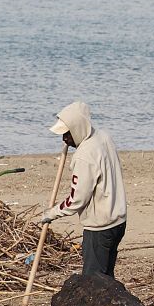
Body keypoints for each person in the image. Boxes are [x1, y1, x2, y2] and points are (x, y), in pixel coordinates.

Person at [41, 100, 128, 278]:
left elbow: (77, 199)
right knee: (107, 279)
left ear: (78, 129)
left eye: (67, 134)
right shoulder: (104, 137)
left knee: (93, 282)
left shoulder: (84, 155)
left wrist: (52, 213)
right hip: (119, 221)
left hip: (100, 227)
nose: (64, 139)